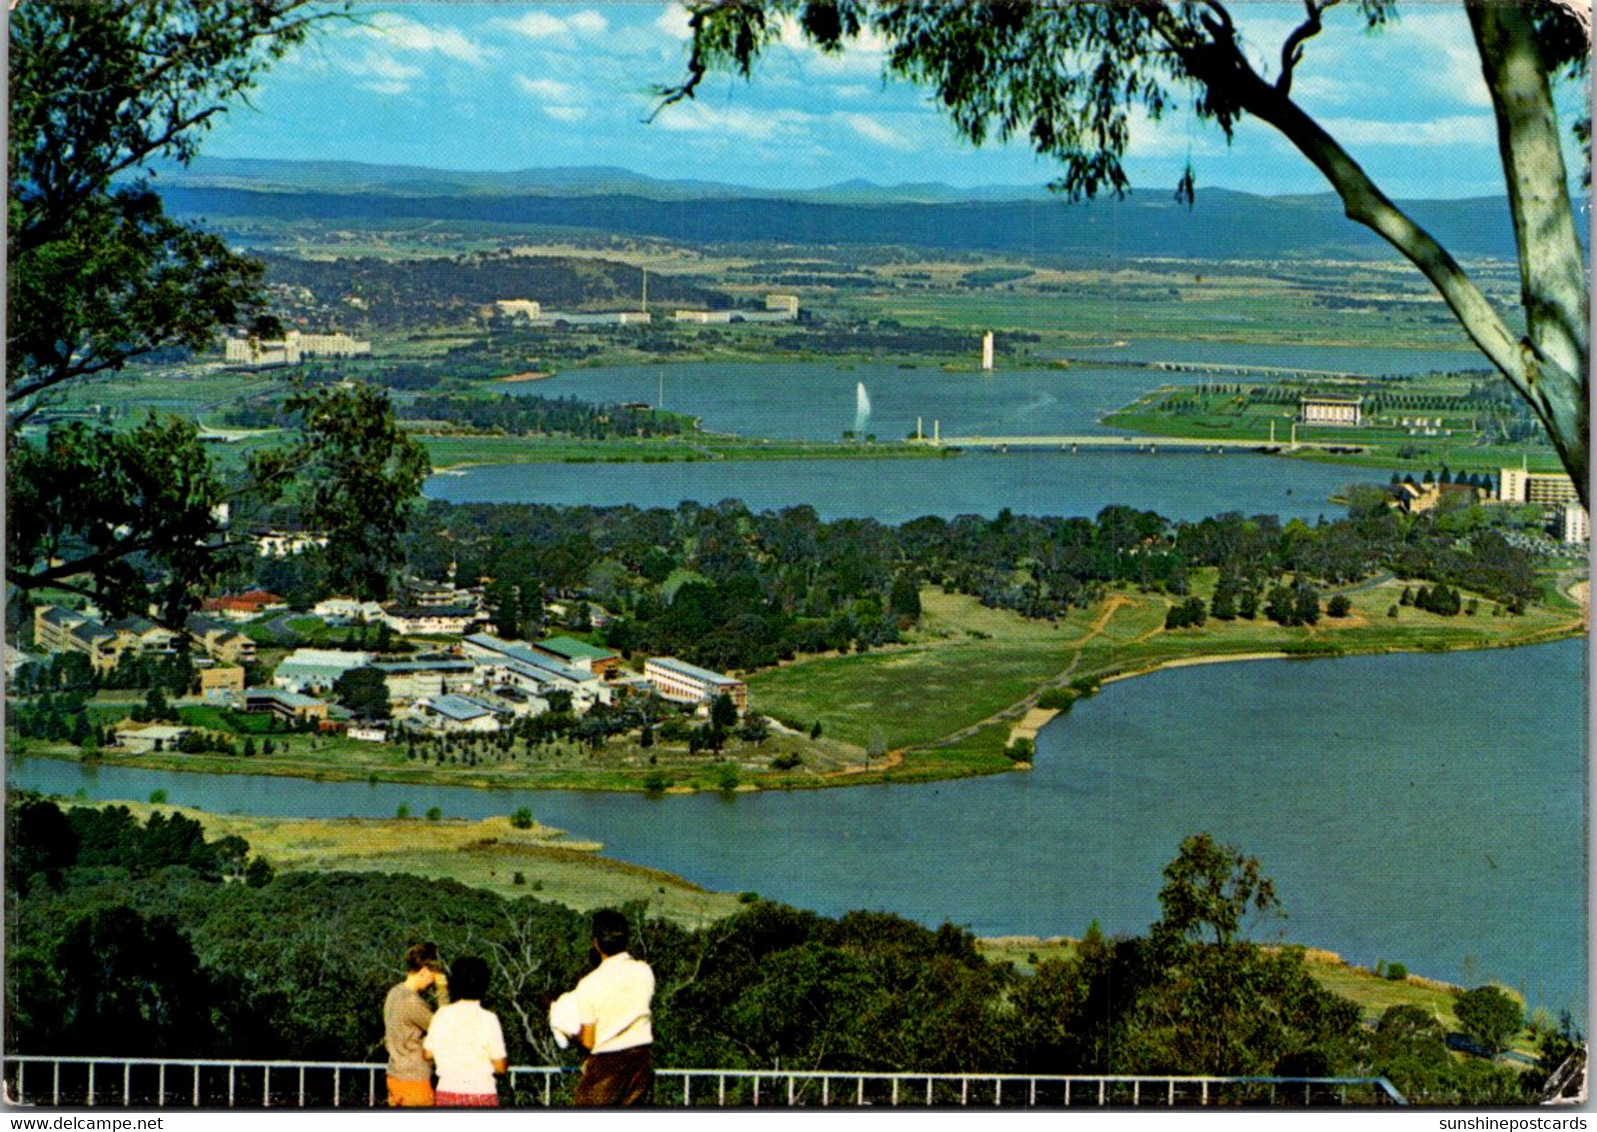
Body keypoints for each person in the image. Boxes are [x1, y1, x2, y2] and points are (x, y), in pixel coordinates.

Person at [554, 908, 655, 1107]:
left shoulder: (589, 984)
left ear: (596, 943)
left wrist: (570, 1033)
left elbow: (589, 1040)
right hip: (640, 1064)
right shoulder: (644, 972)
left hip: (607, 1067)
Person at [423, 956, 507, 1107]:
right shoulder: (489, 1019)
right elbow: (500, 1066)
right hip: (482, 1093)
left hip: (447, 1091)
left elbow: (427, 1053)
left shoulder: (442, 1014)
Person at [382, 941, 448, 1107]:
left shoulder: (394, 992)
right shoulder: (412, 1002)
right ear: (425, 971)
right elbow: (445, 1027)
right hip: (414, 1081)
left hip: (395, 1076)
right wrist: (442, 991)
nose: (432, 980)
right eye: (433, 974)